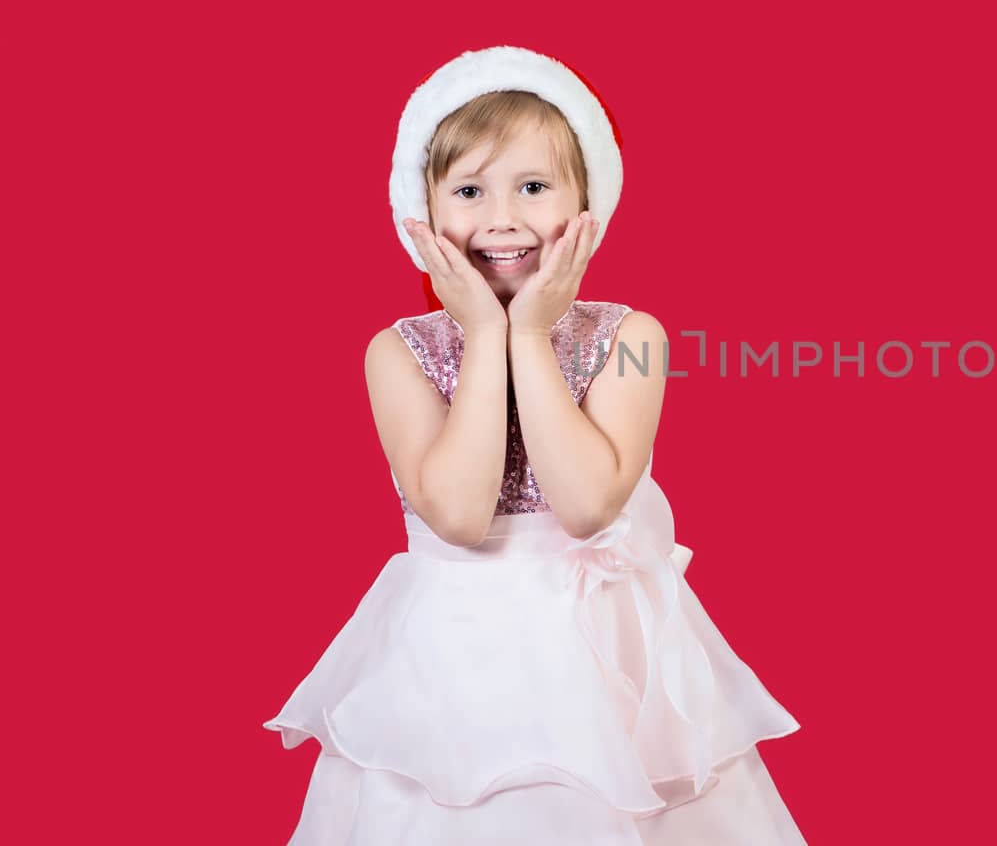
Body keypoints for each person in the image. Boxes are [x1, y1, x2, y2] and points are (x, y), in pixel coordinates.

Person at [262, 45, 805, 844]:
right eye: (470, 191)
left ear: (587, 204)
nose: (502, 218)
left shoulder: (632, 337)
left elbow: (586, 505)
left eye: (534, 187)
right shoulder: (400, 351)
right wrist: (486, 332)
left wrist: (533, 333)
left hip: (608, 666)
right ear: (424, 210)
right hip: (454, 664)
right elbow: (457, 513)